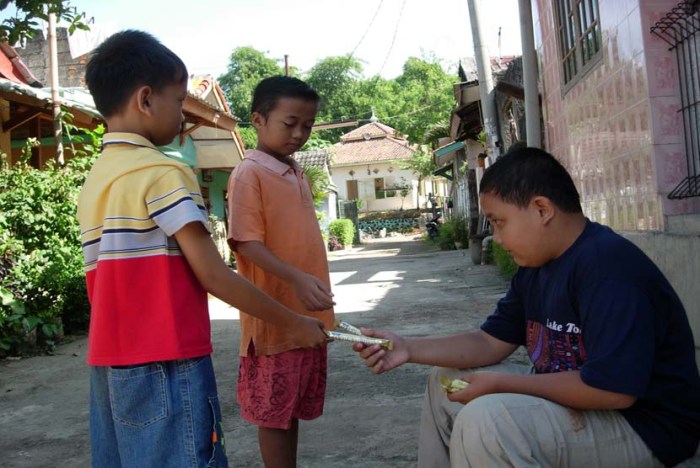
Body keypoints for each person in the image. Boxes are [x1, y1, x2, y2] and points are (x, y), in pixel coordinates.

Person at [354, 147, 700, 467]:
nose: (498, 239)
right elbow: (490, 342)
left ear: (542, 209)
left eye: (500, 222)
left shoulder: (608, 269)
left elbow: (614, 391)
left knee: (490, 420)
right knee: (444, 381)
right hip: (588, 407)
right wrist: (407, 348)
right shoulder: (537, 267)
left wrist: (502, 384)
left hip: (646, 428)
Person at [78, 31, 327, 468]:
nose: (182, 114)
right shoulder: (163, 173)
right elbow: (213, 274)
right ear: (146, 99)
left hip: (109, 362)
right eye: (179, 101)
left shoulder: (99, 176)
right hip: (168, 358)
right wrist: (294, 322)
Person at [226, 75, 335, 468]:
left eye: (307, 125)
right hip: (274, 323)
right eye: (290, 124)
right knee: (273, 416)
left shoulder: (296, 171)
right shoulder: (248, 173)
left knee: (290, 411)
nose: (299, 134)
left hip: (307, 318)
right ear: (258, 119)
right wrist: (295, 279)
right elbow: (246, 243)